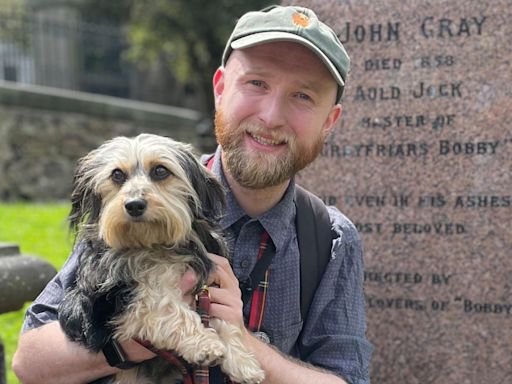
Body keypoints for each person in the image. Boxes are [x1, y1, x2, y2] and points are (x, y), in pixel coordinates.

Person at [13, 5, 372, 384]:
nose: (271, 116)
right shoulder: (133, 205)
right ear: (219, 89)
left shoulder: (332, 240)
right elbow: (30, 364)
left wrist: (245, 343)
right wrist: (135, 340)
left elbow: (347, 378)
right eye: (257, 83)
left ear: (329, 121)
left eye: (302, 96)